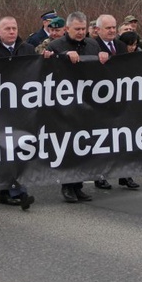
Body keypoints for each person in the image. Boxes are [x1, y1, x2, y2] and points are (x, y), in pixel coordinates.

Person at [44, 11, 109, 203]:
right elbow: (47, 70)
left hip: (88, 103)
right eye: (77, 29)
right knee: (68, 145)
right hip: (65, 104)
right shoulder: (56, 45)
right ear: (67, 29)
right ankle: (67, 186)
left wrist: (104, 56)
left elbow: (100, 70)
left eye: (83, 29)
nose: (81, 32)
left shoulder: (92, 44)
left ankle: (78, 184)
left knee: (84, 145)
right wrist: (62, 56)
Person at [0, 16, 37, 210]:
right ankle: (16, 191)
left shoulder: (27, 50)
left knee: (21, 148)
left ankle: (13, 191)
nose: (12, 32)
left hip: (23, 107)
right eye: (8, 29)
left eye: (14, 28)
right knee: (7, 150)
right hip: (0, 109)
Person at [92, 14, 139, 191]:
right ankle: (100, 175)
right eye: (108, 28)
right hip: (100, 100)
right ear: (98, 30)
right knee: (102, 140)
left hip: (120, 98)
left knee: (123, 138)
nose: (112, 31)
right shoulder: (92, 46)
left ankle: (125, 174)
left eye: (113, 27)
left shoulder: (120, 46)